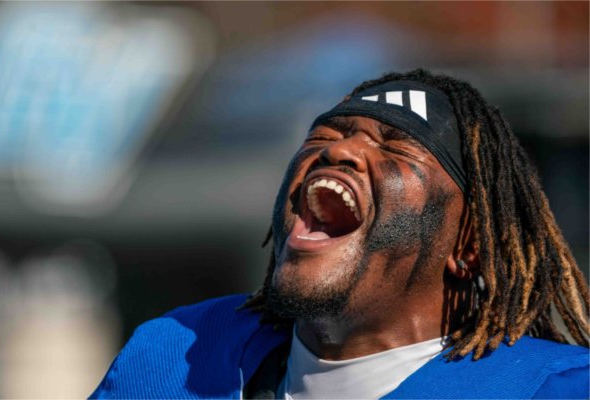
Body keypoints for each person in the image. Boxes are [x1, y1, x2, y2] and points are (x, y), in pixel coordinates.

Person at [90, 69, 589, 399]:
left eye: (396, 148)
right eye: (323, 136)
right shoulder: (172, 357)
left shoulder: (556, 389)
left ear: (469, 246)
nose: (340, 151)